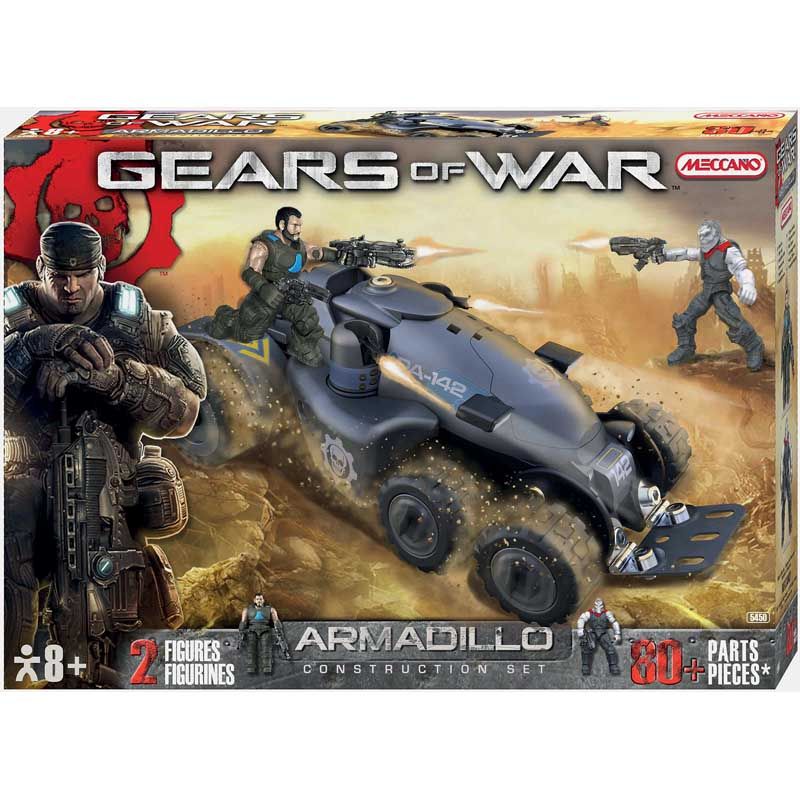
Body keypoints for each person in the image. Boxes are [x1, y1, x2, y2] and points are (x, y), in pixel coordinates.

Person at [4, 221, 207, 686]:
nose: (71, 287)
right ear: (41, 268)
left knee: (121, 635)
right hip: (27, 492)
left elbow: (185, 412)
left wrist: (118, 380)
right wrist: (32, 345)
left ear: (101, 268)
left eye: (82, 274)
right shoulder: (12, 316)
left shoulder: (135, 319)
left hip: (109, 496)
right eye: (60, 275)